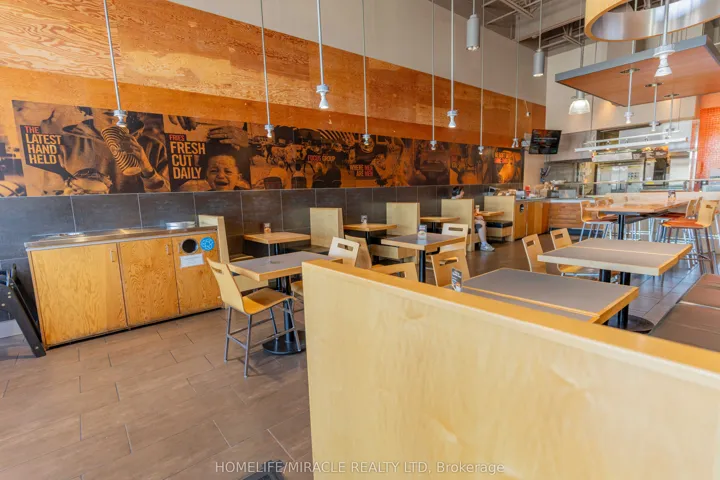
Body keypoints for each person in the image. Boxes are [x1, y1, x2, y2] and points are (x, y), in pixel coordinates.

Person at [451, 186, 495, 252]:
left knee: (480, 221)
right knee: (481, 222)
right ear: (457, 192)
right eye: (462, 191)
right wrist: (476, 217)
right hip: (461, 221)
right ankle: (484, 244)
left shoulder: (453, 201)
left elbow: (465, 214)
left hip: (461, 220)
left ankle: (483, 242)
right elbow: (464, 215)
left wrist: (475, 216)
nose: (463, 192)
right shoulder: (458, 202)